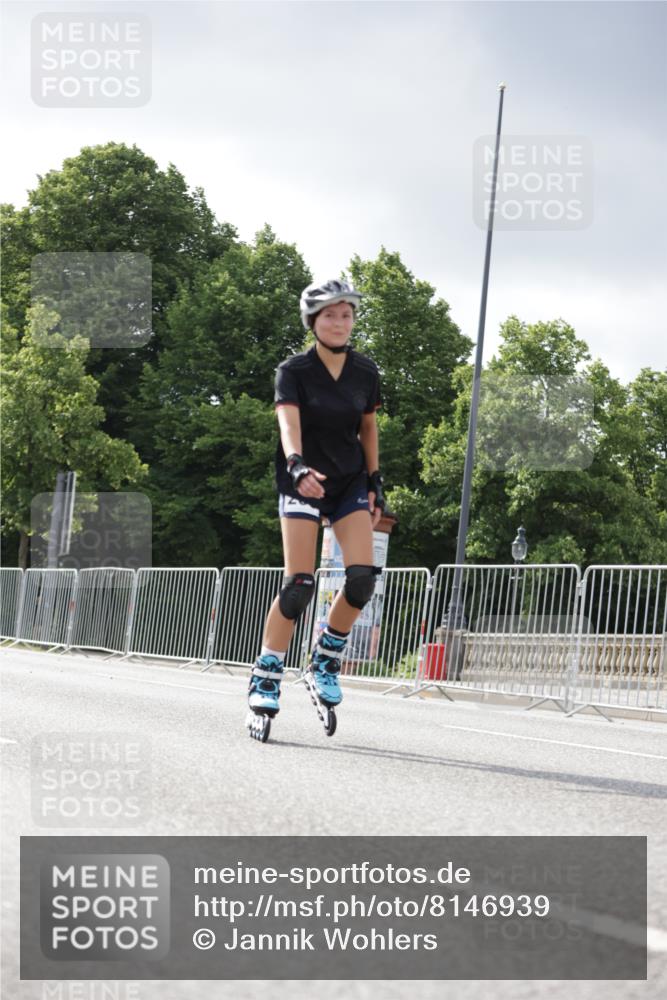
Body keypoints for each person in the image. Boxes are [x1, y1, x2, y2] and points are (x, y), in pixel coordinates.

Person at [246, 278, 385, 737]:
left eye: (347, 315)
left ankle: (325, 657)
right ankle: (266, 673)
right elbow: (288, 422)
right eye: (330, 315)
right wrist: (297, 464)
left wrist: (375, 481)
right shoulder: (293, 370)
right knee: (300, 584)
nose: (340, 323)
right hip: (302, 479)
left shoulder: (366, 372)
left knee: (363, 579)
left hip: (347, 481)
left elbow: (368, 427)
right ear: (313, 321)